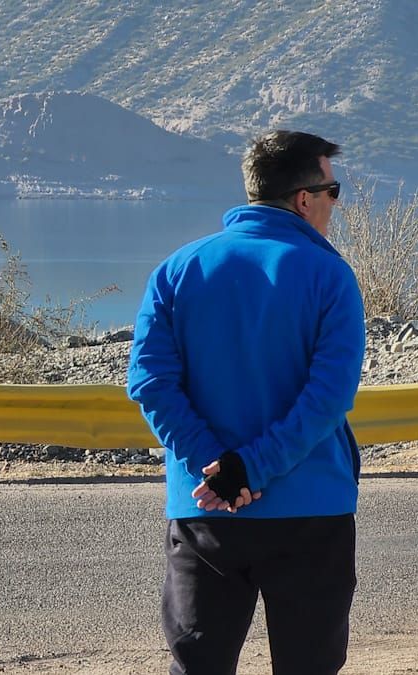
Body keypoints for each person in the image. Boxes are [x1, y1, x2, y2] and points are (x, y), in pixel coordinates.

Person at [126, 130, 365, 674]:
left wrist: (215, 468)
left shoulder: (178, 270)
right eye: (334, 191)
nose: (335, 203)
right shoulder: (330, 275)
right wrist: (250, 467)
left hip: (205, 510)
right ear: (304, 198)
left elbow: (149, 382)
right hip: (311, 510)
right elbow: (328, 397)